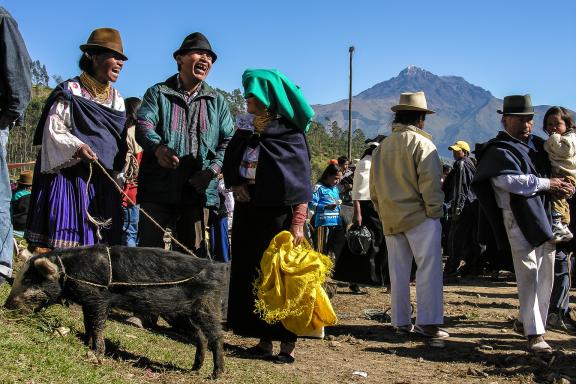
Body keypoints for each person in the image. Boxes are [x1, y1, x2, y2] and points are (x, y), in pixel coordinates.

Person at [223, 68, 314, 363]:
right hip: (250, 212)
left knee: (281, 278)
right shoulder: (246, 128)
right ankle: (263, 341)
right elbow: (232, 159)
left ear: (268, 98)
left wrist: (298, 223)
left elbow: (300, 182)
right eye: (248, 95)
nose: (248, 101)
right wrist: (236, 184)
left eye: (253, 96)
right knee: (254, 276)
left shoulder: (290, 134)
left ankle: (286, 343)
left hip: (280, 217)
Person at [472, 95, 574, 353]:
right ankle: (534, 333)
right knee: (528, 272)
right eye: (520, 120)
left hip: (545, 214)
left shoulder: (540, 146)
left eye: (529, 119)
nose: (526, 125)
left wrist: (564, 185)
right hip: (516, 217)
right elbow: (508, 182)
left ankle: (527, 322)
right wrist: (547, 184)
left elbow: (560, 170)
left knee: (546, 273)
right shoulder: (499, 149)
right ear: (505, 120)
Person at [26, 28, 127, 251]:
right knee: (69, 237)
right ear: (94, 56)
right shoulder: (71, 91)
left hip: (103, 179)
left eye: (122, 58)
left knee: (103, 244)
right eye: (114, 56)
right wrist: (78, 147)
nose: (120, 63)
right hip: (71, 177)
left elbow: (118, 141)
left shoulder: (118, 100)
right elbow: (54, 131)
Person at [136, 32, 234, 256]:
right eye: (199, 53)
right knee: (149, 255)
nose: (206, 59)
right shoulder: (158, 93)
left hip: (196, 191)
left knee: (192, 257)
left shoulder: (217, 102)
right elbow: (143, 124)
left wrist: (211, 171)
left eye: (209, 56)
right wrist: (158, 148)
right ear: (179, 58)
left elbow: (229, 141)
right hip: (158, 189)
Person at [370, 91, 448, 338]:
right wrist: (434, 212)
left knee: (398, 271)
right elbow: (430, 184)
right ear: (421, 119)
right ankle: (428, 323)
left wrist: (383, 211)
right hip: (420, 216)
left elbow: (373, 188)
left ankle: (401, 322)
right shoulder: (423, 144)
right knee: (428, 270)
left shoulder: (382, 147)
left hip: (391, 216)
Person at [0, 7, 31, 285]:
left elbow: (19, 73)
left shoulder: (2, 18)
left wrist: (8, 115)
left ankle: (1, 263)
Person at [334, 137, 389, 288]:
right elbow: (358, 192)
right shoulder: (365, 163)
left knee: (375, 243)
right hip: (367, 208)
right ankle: (357, 278)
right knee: (364, 242)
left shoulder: (378, 164)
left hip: (376, 207)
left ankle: (374, 277)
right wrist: (357, 212)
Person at [443, 140, 482, 277]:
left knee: (455, 237)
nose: (454, 153)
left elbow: (461, 187)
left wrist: (457, 208)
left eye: (457, 150)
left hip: (462, 207)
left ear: (464, 152)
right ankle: (472, 266)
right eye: (453, 150)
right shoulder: (471, 164)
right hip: (471, 206)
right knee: (469, 238)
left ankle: (451, 268)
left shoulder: (461, 164)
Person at [542, 106, 576, 243]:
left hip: (565, 175)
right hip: (562, 174)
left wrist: (554, 138)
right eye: (550, 124)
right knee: (561, 201)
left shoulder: (570, 139)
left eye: (558, 124)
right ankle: (564, 225)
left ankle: (557, 224)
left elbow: (564, 152)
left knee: (556, 198)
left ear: (567, 124)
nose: (553, 128)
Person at [119, 97, 142, 246]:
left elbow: (125, 166)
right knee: (138, 233)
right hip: (144, 192)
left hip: (130, 191)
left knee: (129, 232)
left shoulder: (128, 133)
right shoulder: (148, 132)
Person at [309, 163, 343, 255]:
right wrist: (325, 207)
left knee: (336, 251)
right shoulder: (318, 187)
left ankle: (333, 268)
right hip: (323, 224)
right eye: (335, 178)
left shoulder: (335, 188)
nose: (337, 181)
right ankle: (321, 269)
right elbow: (311, 204)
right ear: (328, 175)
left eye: (339, 179)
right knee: (322, 251)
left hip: (337, 223)